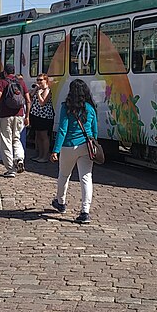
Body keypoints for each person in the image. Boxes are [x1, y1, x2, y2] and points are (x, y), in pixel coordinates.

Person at [50, 79, 98, 224]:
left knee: (64, 175)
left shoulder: (66, 107)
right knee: (86, 178)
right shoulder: (90, 108)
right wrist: (93, 144)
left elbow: (63, 129)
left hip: (69, 146)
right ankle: (85, 211)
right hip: (86, 145)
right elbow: (95, 129)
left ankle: (61, 202)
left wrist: (56, 150)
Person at [29, 74, 54, 163]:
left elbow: (42, 103)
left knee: (44, 136)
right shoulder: (38, 89)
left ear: (46, 80)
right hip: (36, 115)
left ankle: (44, 156)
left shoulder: (47, 90)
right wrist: (36, 89)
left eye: (41, 80)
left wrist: (39, 94)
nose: (39, 82)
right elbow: (30, 96)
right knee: (38, 135)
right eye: (38, 80)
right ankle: (39, 155)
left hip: (44, 116)